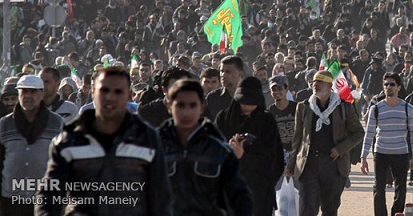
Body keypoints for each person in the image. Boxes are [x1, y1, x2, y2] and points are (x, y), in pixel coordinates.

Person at [36, 66, 173, 215]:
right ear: (93, 92)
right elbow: (49, 196)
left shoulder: (148, 139)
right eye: (104, 90)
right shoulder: (68, 140)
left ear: (129, 95)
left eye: (118, 91)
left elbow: (161, 197)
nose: (110, 97)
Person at [158, 79, 253, 216]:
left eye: (192, 105)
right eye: (180, 105)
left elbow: (239, 199)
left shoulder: (219, 150)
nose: (186, 112)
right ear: (169, 106)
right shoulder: (153, 148)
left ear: (202, 107)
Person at [286, 70, 364, 216]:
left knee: (329, 209)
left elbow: (358, 133)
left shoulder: (343, 107)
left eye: (320, 82)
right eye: (314, 82)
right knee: (307, 208)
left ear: (329, 86)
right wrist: (291, 164)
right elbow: (297, 139)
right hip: (308, 164)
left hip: (333, 165)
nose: (316, 85)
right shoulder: (304, 107)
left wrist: (340, 149)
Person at [215, 76, 284, 215]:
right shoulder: (223, 119)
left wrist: (244, 157)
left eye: (252, 103)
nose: (247, 106)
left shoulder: (266, 121)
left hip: (259, 193)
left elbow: (273, 160)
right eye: (244, 102)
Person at [0, 75, 63, 216]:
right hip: (11, 198)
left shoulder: (57, 123)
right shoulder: (4, 125)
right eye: (24, 91)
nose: (28, 96)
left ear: (42, 94)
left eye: (33, 91)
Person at [360, 72, 413, 216]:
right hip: (381, 153)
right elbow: (369, 133)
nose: (388, 87)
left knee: (401, 188)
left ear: (398, 87)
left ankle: (396, 213)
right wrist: (363, 157)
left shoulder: (408, 109)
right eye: (386, 84)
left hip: (401, 153)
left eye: (392, 84)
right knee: (378, 188)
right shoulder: (376, 109)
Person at [268, 74, 297, 163]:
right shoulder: (269, 112)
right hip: (278, 155)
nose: (277, 92)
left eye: (280, 89)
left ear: (286, 89)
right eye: (274, 90)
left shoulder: (297, 108)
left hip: (296, 154)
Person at [205, 55, 244, 120]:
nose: (223, 75)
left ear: (240, 74)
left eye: (228, 72)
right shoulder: (213, 97)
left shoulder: (251, 96)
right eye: (222, 71)